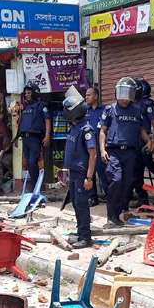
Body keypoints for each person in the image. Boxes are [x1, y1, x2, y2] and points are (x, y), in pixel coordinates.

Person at [100, 77, 153, 227]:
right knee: (116, 181)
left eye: (127, 95)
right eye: (122, 94)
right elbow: (103, 131)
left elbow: (142, 129)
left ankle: (117, 215)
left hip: (131, 152)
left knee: (127, 184)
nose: (124, 99)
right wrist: (103, 149)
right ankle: (111, 215)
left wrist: (148, 141)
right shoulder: (110, 109)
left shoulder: (137, 110)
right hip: (114, 152)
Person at [63, 95, 97, 248]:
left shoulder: (86, 130)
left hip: (83, 174)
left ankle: (85, 237)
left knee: (82, 204)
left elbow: (93, 154)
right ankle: (80, 231)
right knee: (76, 203)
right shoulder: (74, 127)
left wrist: (89, 177)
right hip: (74, 173)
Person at [130, 79, 154, 208]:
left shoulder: (147, 103)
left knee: (139, 169)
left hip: (144, 142)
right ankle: (143, 194)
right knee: (141, 167)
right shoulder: (135, 103)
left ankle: (143, 196)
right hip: (136, 141)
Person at [19, 82, 52, 191]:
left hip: (35, 139)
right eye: (26, 93)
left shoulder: (41, 106)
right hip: (25, 138)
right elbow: (22, 123)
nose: (27, 95)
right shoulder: (25, 107)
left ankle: (36, 186)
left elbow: (47, 121)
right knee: (29, 163)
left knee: (33, 162)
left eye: (29, 93)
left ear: (34, 93)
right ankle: (35, 185)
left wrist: (47, 136)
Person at [85, 86, 106, 206]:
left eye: (89, 95)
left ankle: (109, 196)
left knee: (104, 173)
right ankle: (92, 197)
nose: (86, 97)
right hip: (88, 147)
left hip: (101, 147)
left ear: (96, 96)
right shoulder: (84, 110)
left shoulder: (105, 110)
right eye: (86, 95)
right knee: (90, 173)